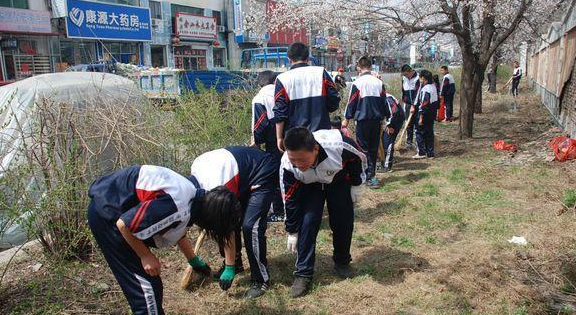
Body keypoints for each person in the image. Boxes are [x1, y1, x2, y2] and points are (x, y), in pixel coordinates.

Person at [88, 165, 242, 315]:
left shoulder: (193, 196)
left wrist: (193, 261)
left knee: (151, 284)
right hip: (108, 213)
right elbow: (124, 225)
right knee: (147, 290)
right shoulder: (177, 206)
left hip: (117, 206)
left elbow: (175, 227)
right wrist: (145, 256)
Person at [280, 127, 367, 298]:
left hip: (337, 179)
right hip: (309, 186)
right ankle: (303, 274)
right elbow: (290, 198)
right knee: (307, 222)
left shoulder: (339, 146)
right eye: (294, 160)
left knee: (343, 220)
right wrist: (291, 230)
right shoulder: (287, 166)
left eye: (302, 159)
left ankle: (342, 262)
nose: (298, 164)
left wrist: (357, 184)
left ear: (315, 149)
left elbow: (360, 158)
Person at [190, 146, 279, 298]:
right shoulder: (196, 183)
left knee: (250, 226)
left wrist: (228, 266)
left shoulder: (218, 185)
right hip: (239, 176)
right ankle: (236, 263)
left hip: (261, 170)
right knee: (218, 218)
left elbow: (226, 226)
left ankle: (260, 279)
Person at [274, 42, 341, 151]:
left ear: (289, 59)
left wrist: (279, 137)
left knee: (299, 165)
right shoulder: (321, 72)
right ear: (307, 58)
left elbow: (280, 112)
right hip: (321, 135)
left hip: (294, 138)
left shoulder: (282, 79)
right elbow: (334, 100)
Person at [342, 56, 387, 188]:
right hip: (376, 121)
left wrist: (346, 119)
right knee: (373, 149)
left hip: (362, 121)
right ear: (371, 67)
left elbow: (352, 102)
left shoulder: (358, 83)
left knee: (363, 149)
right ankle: (371, 176)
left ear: (359, 68)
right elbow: (384, 102)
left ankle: (367, 175)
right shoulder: (379, 83)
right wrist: (385, 119)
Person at [251, 70, 285, 223]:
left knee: (275, 175)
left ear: (260, 83)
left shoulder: (259, 98)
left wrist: (257, 143)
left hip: (273, 140)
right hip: (292, 134)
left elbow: (260, 124)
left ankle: (279, 211)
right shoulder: (283, 91)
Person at [413, 70, 439, 159]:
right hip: (432, 113)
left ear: (423, 78)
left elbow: (424, 104)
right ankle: (430, 153)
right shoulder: (433, 87)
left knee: (419, 132)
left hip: (425, 114)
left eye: (420, 78)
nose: (419, 79)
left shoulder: (425, 89)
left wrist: (420, 117)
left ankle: (421, 152)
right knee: (429, 133)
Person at [380, 93, 405, 172]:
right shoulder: (375, 97)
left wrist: (389, 125)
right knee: (383, 141)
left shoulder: (387, 98)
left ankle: (387, 166)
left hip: (395, 120)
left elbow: (394, 111)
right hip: (387, 121)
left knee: (388, 141)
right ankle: (383, 163)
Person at [400, 64, 421, 148]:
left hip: (417, 104)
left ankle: (417, 142)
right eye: (404, 75)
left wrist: (414, 105)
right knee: (408, 123)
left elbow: (417, 94)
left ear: (410, 71)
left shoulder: (418, 78)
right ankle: (409, 142)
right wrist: (404, 100)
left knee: (417, 123)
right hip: (408, 104)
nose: (405, 76)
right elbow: (403, 90)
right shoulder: (404, 78)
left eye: (406, 74)